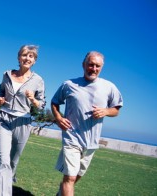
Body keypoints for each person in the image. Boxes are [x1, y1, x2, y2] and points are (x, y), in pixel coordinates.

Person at [51, 51, 123, 196]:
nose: (93, 69)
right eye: (91, 65)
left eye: (97, 66)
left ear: (101, 67)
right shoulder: (69, 84)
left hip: (91, 142)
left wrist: (105, 111)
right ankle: (66, 185)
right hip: (72, 137)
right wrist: (58, 118)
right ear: (84, 65)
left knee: (77, 175)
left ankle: (62, 190)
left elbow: (116, 110)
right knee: (70, 177)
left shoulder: (109, 87)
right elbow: (54, 102)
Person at [0, 45, 46, 196]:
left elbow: (42, 104)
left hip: (23, 121)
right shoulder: (7, 74)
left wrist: (33, 100)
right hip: (3, 119)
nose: (27, 58)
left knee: (13, 161)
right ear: (18, 57)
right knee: (2, 158)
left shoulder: (38, 80)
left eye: (31, 57)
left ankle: (5, 182)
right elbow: (0, 93)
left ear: (34, 61)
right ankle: (1, 192)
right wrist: (0, 100)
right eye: (24, 55)